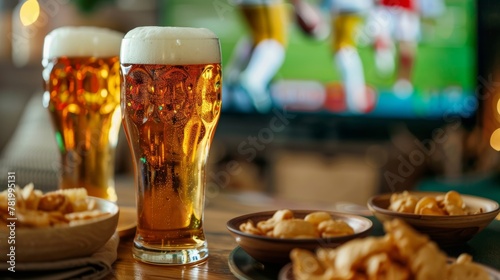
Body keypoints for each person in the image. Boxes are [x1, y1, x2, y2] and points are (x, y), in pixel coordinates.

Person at [324, 0, 374, 113]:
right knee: (342, 52)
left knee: (345, 52)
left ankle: (355, 102)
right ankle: (354, 101)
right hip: (343, 9)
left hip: (351, 8)